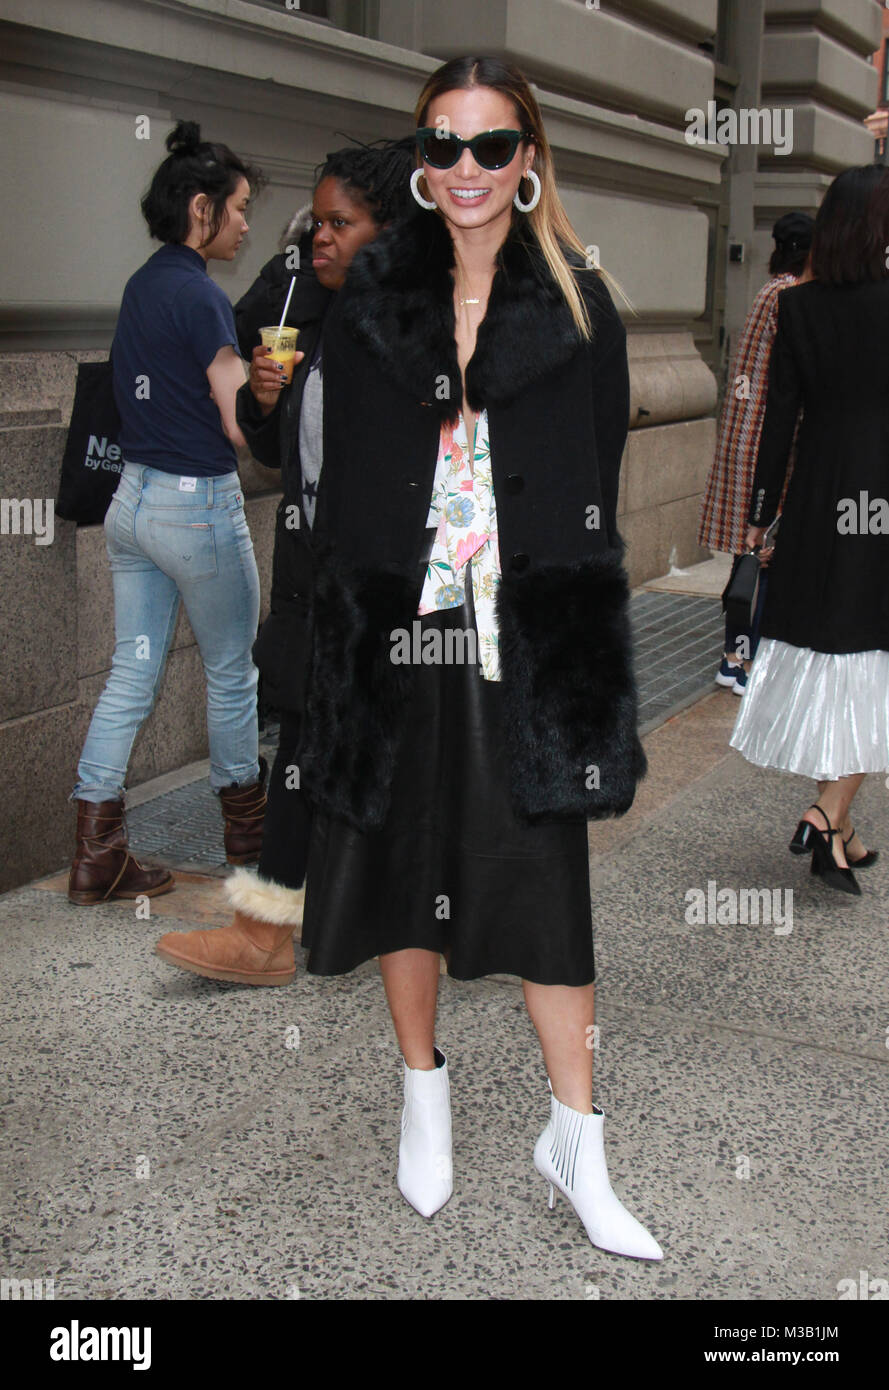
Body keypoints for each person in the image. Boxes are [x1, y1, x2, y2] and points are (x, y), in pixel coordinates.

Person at [287, 55, 660, 1260]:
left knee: (545, 892)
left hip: (524, 635)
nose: (463, 169)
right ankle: (423, 1096)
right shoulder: (374, 295)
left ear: (528, 158)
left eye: (489, 146)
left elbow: (591, 475)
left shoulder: (578, 302)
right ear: (421, 158)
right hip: (398, 626)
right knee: (405, 861)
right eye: (441, 145)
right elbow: (339, 475)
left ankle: (577, 1140)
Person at [153, 137, 415, 983]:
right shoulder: (324, 315)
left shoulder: (412, 333)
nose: (319, 238)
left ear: (391, 230)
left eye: (342, 223)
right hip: (319, 586)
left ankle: (296, 931)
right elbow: (286, 452)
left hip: (379, 597)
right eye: (319, 221)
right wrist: (267, 399)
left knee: (347, 757)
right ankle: (272, 931)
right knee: (307, 750)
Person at [68, 121, 266, 905]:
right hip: (197, 510)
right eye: (240, 209)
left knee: (132, 672)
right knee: (230, 674)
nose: (246, 224)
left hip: (132, 505)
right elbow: (234, 422)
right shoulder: (204, 299)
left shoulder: (142, 285)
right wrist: (266, 390)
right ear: (200, 208)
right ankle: (249, 852)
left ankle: (96, 853)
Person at [730, 165, 889, 894]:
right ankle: (826, 815)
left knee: (839, 656)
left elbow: (778, 423)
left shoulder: (796, 309)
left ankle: (844, 830)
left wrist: (761, 516)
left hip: (821, 492)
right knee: (871, 655)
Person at [697, 212, 813, 694]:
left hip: (750, 436)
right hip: (766, 441)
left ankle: (738, 658)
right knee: (760, 554)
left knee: (753, 555)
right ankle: (741, 660)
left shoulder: (772, 290)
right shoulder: (787, 296)